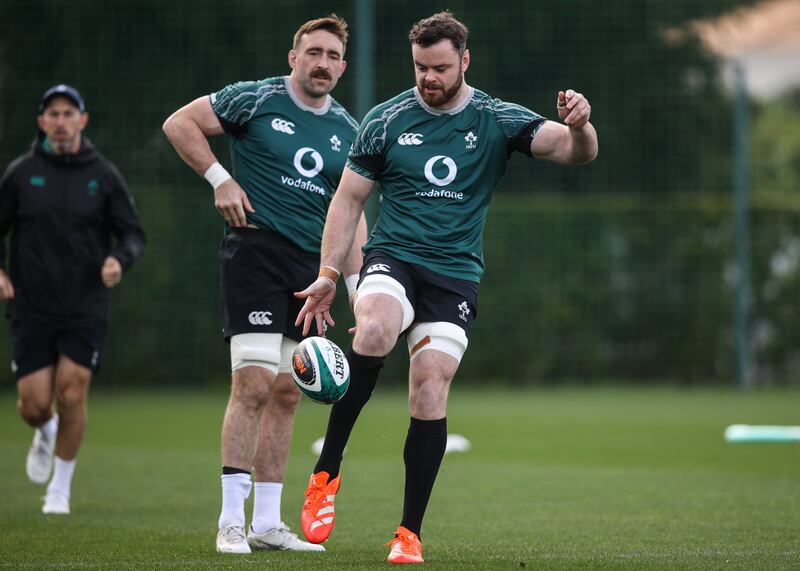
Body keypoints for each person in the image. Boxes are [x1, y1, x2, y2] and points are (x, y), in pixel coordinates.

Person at [294, 11, 598, 564]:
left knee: (429, 385)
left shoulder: (497, 119)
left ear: (464, 60)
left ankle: (408, 532)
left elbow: (578, 153)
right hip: (395, 258)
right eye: (419, 67)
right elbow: (347, 200)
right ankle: (326, 472)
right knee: (376, 328)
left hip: (456, 274)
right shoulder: (386, 120)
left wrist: (580, 124)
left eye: (439, 67)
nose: (428, 78)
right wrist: (329, 275)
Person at [162, 14, 366, 555]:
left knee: (286, 393)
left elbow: (353, 211)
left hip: (310, 271)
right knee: (251, 384)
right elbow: (179, 123)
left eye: (332, 56)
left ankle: (268, 523)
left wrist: (355, 283)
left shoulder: (350, 130)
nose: (322, 63)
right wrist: (219, 178)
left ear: (343, 67)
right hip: (254, 254)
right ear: (293, 57)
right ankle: (231, 520)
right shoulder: (254, 99)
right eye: (313, 52)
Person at [0, 84, 146, 515]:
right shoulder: (21, 173)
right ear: (42, 122)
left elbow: (134, 233)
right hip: (31, 305)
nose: (61, 121)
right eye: (53, 114)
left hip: (86, 305)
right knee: (33, 404)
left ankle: (59, 489)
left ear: (82, 120)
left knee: (71, 390)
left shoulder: (103, 175)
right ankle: (44, 431)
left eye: (69, 113)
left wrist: (120, 259)